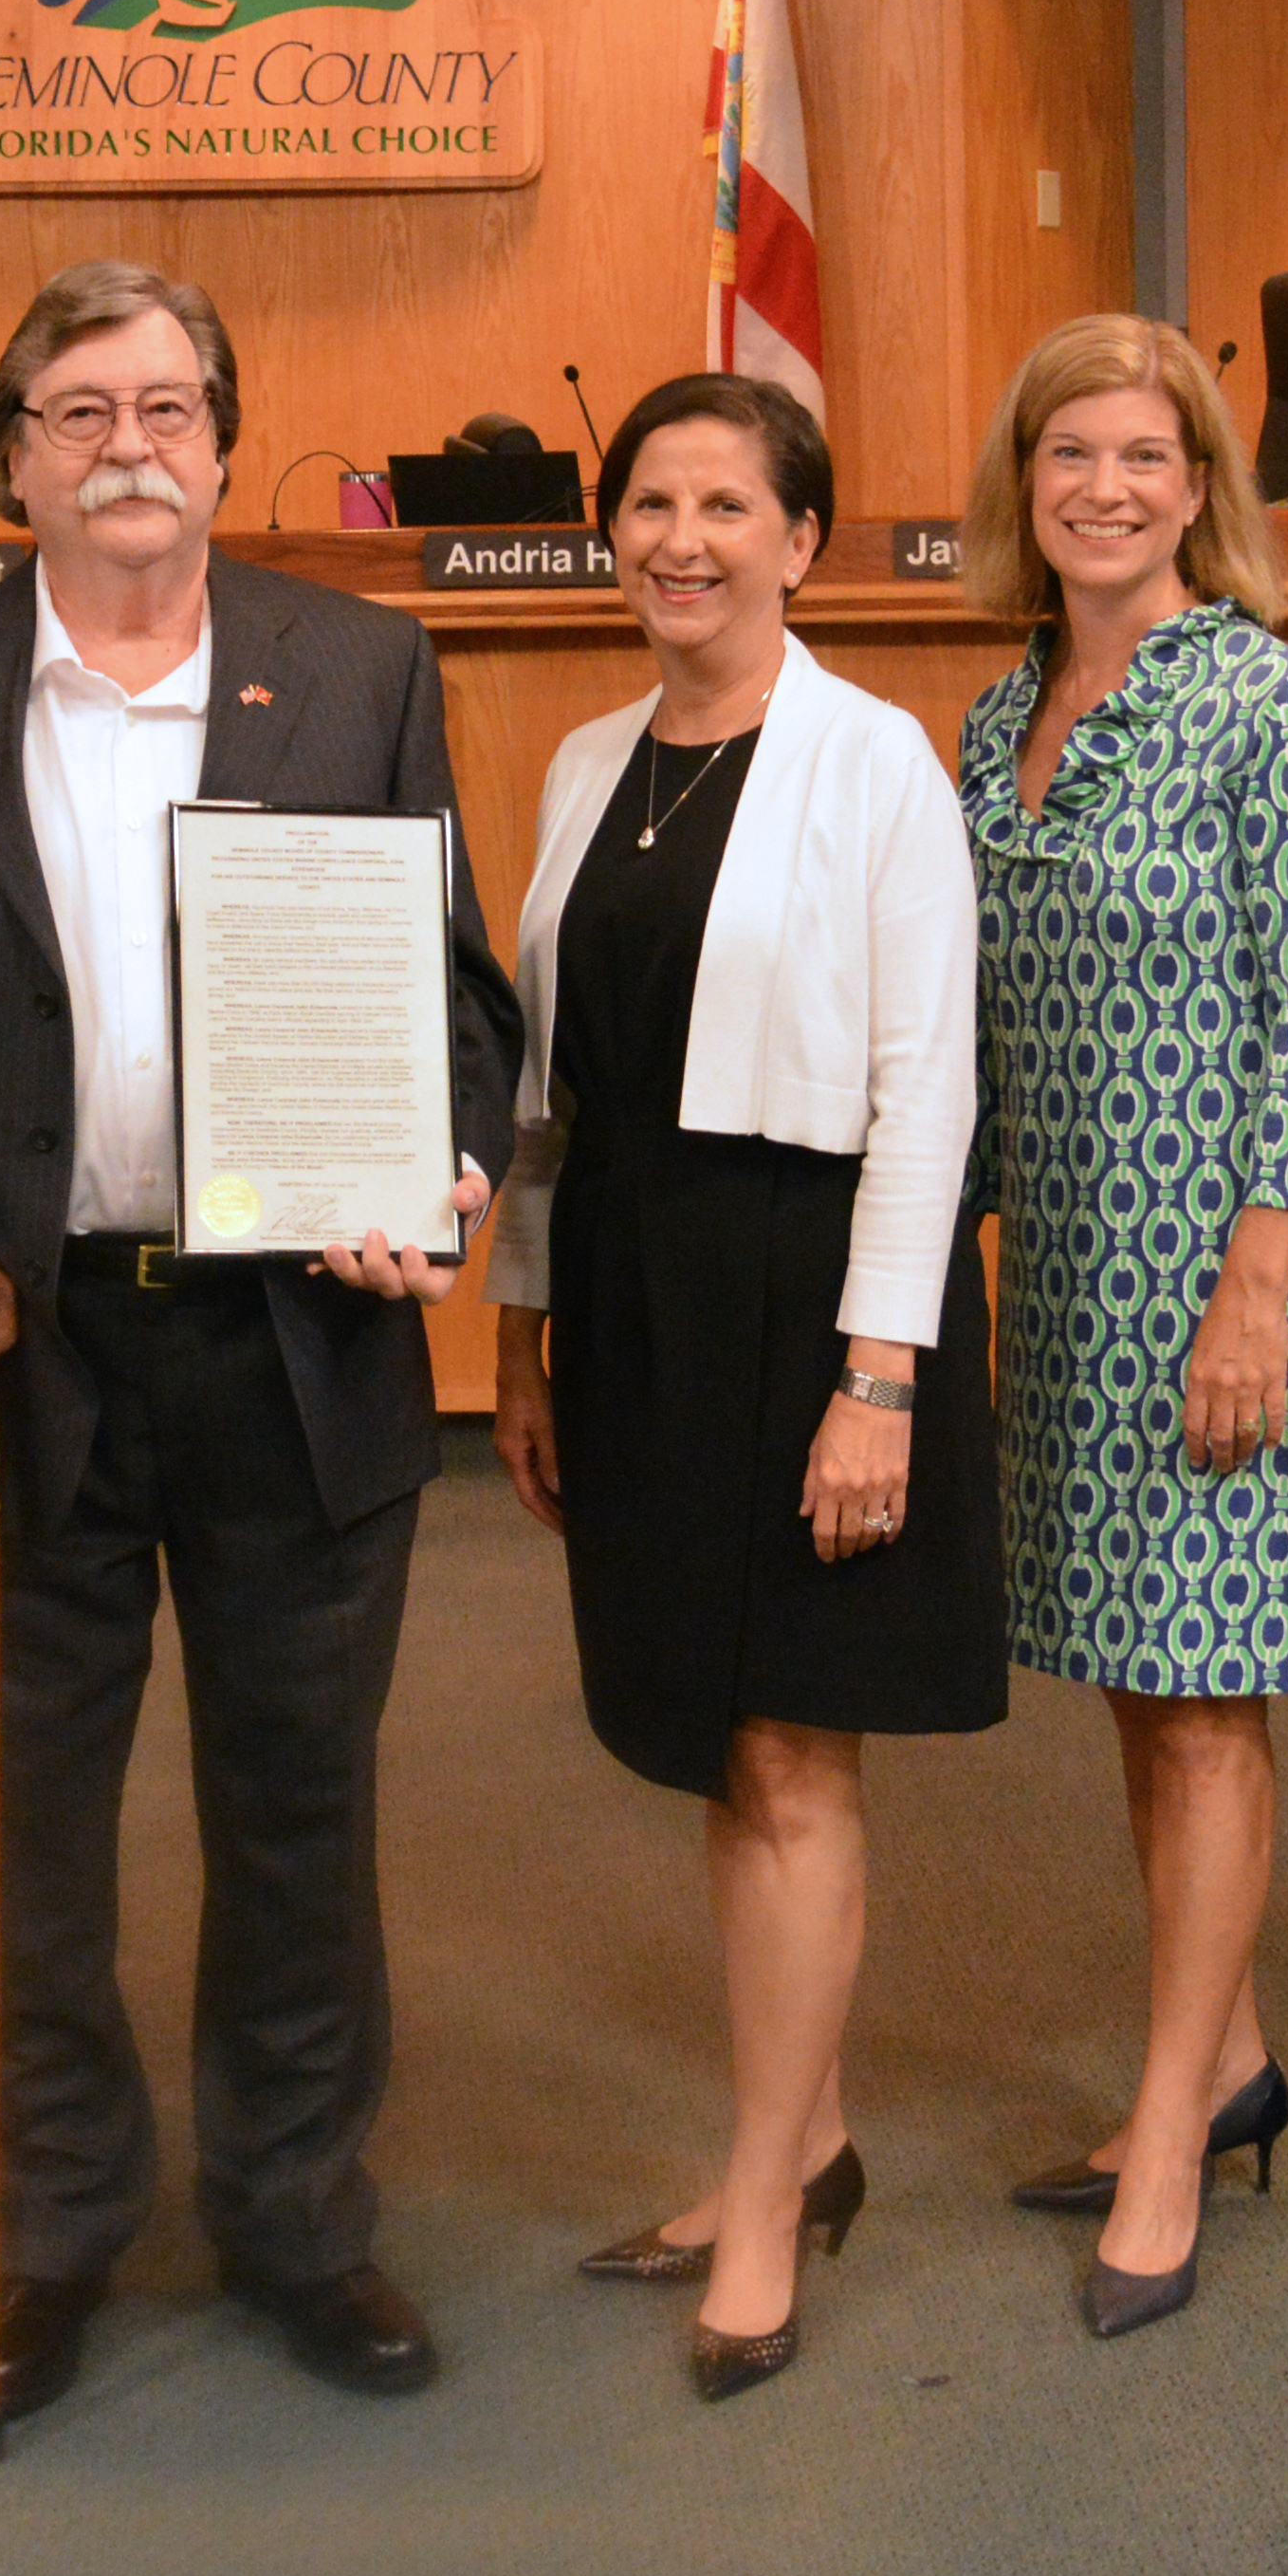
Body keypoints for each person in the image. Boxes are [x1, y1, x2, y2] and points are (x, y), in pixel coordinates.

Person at [0, 261, 521, 2420]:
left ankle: (297, 2218)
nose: (129, 445)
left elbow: (452, 995)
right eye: (77, 408)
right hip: (17, 1351)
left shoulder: (355, 665)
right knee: (25, 1840)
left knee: (298, 1814)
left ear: (220, 437)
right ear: (5, 454)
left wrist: (445, 1163)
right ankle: (47, 2225)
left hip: (294, 1342)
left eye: (171, 404)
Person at [481, 375, 992, 2401]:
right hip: (627, 1295)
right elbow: (544, 1091)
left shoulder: (876, 764)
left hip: (810, 1302)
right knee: (720, 1734)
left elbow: (924, 1090)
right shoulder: (593, 756)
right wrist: (520, 1330)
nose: (675, 537)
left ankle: (768, 2193)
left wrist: (880, 1376)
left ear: (804, 536)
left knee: (795, 1753)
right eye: (646, 502)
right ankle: (811, 2122)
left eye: (724, 502)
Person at [953, 313, 1288, 2341]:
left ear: (1203, 487)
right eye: (1071, 458)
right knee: (1139, 1681)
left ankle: (1162, 2124)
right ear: (1022, 487)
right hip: (1062, 1274)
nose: (1106, 490)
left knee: (1209, 1696)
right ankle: (1226, 2060)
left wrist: (1261, 1278)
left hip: (1219, 1279)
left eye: (1146, 457)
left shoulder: (1276, 707)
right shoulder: (995, 712)